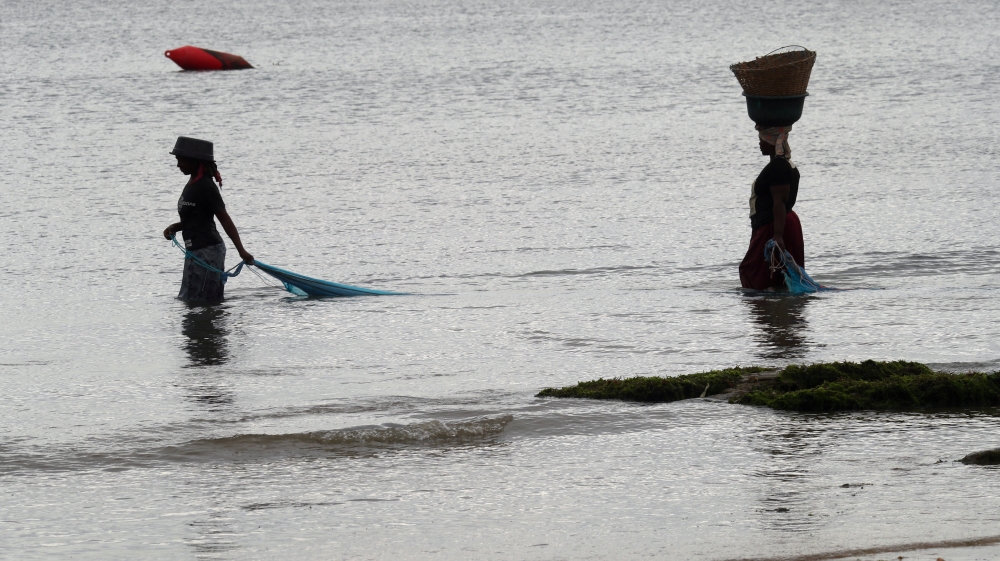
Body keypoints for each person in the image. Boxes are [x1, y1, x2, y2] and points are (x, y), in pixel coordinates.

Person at [162, 136, 254, 302]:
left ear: (194, 161)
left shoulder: (206, 186)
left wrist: (241, 250)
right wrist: (174, 227)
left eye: (180, 160)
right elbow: (197, 217)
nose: (177, 165)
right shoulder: (192, 183)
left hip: (208, 251)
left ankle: (211, 328)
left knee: (205, 302)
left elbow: (225, 220)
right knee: (189, 300)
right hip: (194, 251)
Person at [738, 125, 803, 291]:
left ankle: (768, 311)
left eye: (762, 140)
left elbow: (779, 201)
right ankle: (782, 311)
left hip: (774, 225)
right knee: (778, 274)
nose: (759, 143)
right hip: (782, 222)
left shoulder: (778, 168)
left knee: (752, 272)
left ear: (772, 142)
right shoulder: (784, 164)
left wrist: (778, 236)